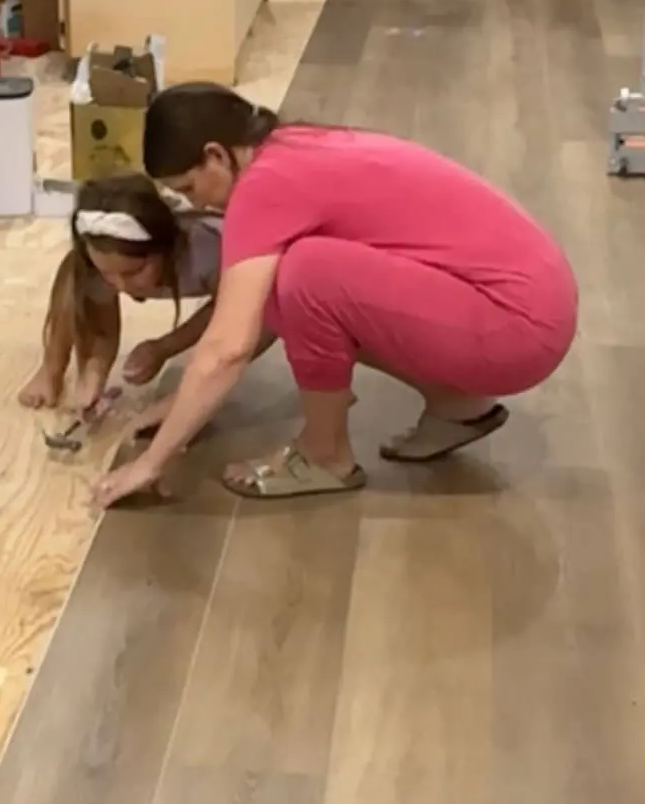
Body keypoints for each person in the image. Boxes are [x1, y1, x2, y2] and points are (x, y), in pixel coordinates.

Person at [94, 85, 578, 508]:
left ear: (216, 155)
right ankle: (457, 404)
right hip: (537, 301)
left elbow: (230, 346)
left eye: (190, 186)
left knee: (306, 272)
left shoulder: (262, 188)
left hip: (515, 328)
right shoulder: (290, 145)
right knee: (294, 278)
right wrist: (184, 401)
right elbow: (267, 312)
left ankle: (325, 455)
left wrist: (150, 464)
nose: (196, 204)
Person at [19, 173, 271, 429]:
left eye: (132, 273)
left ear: (165, 249)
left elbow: (226, 310)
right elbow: (100, 324)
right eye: (107, 272)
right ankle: (50, 370)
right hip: (108, 262)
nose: (119, 285)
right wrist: (95, 372)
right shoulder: (97, 263)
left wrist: (164, 347)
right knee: (73, 275)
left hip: (254, 272)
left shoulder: (209, 249)